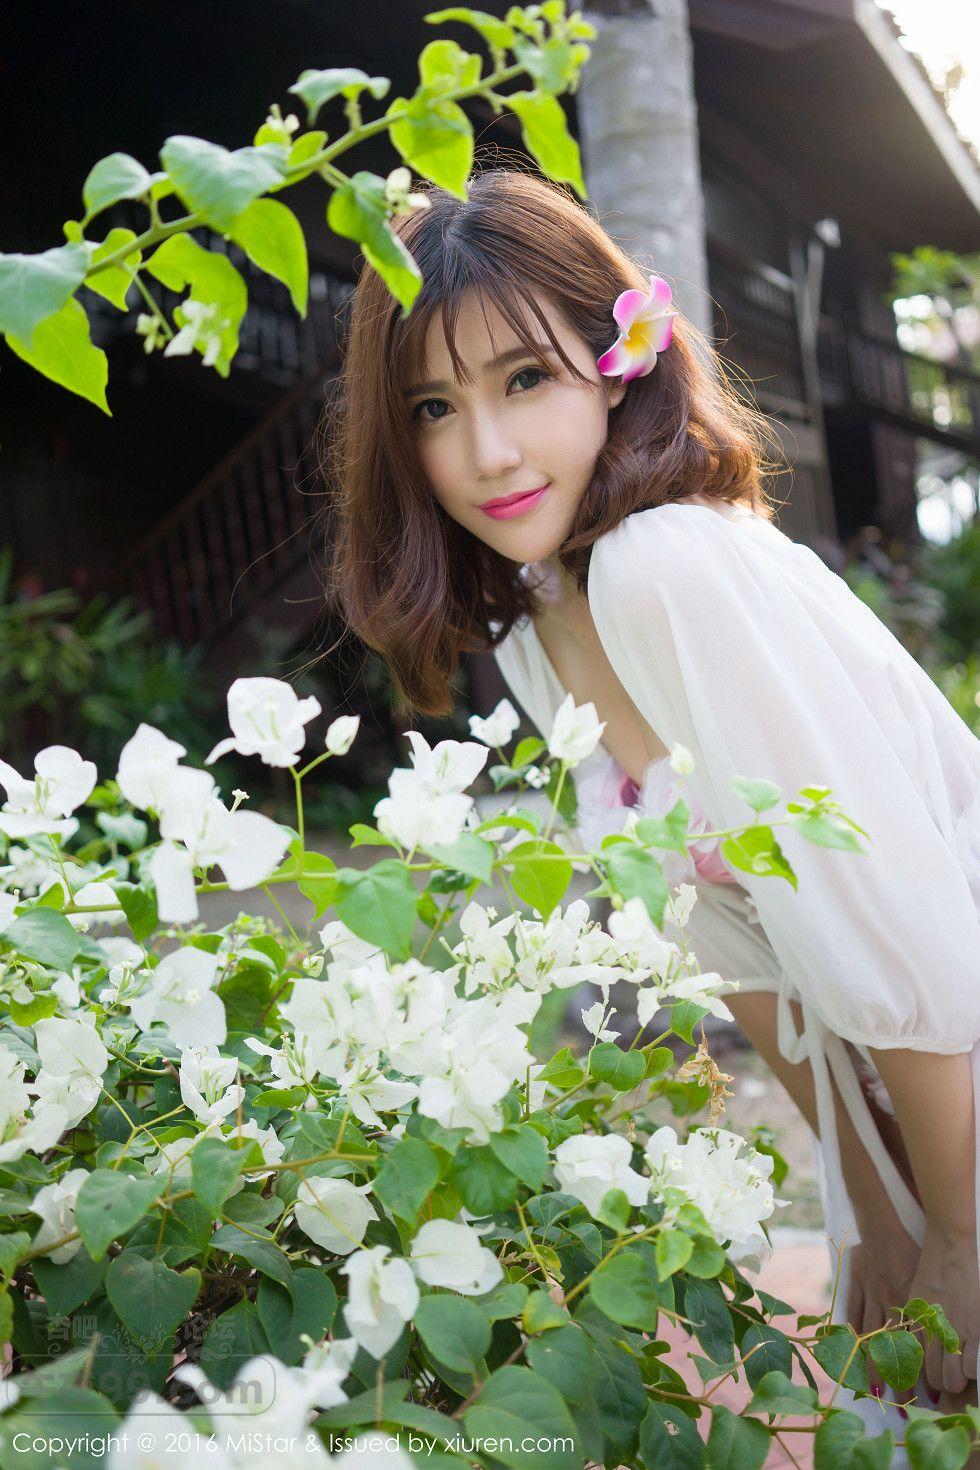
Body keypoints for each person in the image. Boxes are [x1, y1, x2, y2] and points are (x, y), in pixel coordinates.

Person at [323, 166, 980, 1445]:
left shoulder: (661, 566)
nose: (487, 452)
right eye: (433, 407)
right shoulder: (535, 624)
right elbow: (744, 954)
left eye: (524, 378)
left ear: (617, 363)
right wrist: (872, 1211)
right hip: (909, 1118)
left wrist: (952, 1232)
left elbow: (900, 930)